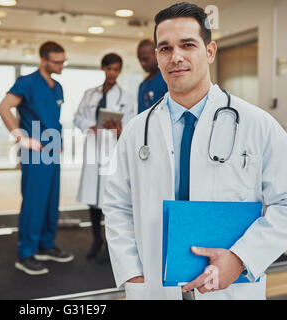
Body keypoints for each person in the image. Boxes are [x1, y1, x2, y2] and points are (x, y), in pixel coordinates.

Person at [103, 2, 287, 300]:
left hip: (231, 285)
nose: (176, 57)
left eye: (187, 44)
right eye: (165, 48)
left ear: (210, 51)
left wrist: (242, 258)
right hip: (154, 286)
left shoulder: (258, 125)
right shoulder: (137, 131)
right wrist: (132, 273)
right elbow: (117, 206)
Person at [0, 41, 74, 276]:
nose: (61, 65)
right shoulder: (27, 83)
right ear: (44, 61)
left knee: (51, 201)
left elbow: (53, 119)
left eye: (63, 61)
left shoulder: (58, 87)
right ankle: (27, 253)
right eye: (57, 62)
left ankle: (46, 245)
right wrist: (21, 138)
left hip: (52, 150)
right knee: (34, 201)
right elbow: (3, 108)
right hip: (35, 152)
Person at [74, 53, 135, 263]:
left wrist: (119, 129)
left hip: (113, 151)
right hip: (93, 147)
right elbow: (78, 117)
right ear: (103, 68)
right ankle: (96, 241)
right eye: (109, 69)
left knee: (111, 201)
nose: (112, 73)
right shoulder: (90, 94)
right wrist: (87, 126)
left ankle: (111, 246)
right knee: (92, 201)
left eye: (116, 69)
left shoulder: (126, 98)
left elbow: (131, 127)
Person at [137, 39, 168, 114]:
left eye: (145, 59)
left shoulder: (167, 80)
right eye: (140, 60)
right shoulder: (143, 85)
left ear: (156, 54)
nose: (142, 64)